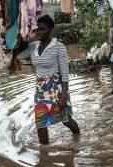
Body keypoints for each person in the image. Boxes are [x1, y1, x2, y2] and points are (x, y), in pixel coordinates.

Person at [17, 15, 80, 144]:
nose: (38, 32)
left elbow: (65, 72)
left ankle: (78, 138)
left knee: (66, 121)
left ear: (51, 29)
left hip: (57, 90)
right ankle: (44, 155)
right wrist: (18, 39)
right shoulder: (33, 46)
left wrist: (63, 96)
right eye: (37, 29)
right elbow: (18, 56)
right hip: (40, 91)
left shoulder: (59, 47)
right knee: (40, 124)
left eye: (42, 29)